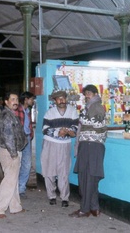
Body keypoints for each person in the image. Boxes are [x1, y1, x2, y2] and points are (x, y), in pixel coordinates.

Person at [69, 84, 107, 218]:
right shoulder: (91, 106)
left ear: (95, 94)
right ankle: (94, 208)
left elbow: (97, 124)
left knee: (87, 178)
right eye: (85, 94)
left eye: (88, 94)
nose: (86, 96)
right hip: (90, 144)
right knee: (91, 178)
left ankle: (84, 209)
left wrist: (83, 118)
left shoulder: (96, 106)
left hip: (92, 144)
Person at [40, 90, 79, 208]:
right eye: (59, 99)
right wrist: (58, 132)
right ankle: (51, 196)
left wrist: (68, 132)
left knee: (63, 171)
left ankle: (64, 197)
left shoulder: (72, 111)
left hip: (64, 144)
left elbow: (75, 127)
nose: (61, 100)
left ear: (66, 99)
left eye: (63, 98)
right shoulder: (49, 113)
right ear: (55, 101)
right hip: (50, 143)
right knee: (49, 171)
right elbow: (45, 129)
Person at [0, 91, 27, 219]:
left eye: (17, 99)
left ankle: (15, 207)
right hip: (9, 151)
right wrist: (14, 154)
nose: (16, 102)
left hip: (10, 150)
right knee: (9, 181)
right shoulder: (7, 116)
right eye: (12, 99)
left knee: (12, 180)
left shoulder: (9, 114)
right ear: (6, 102)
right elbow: (8, 137)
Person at [16, 91, 35, 199]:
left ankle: (21, 189)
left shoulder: (27, 110)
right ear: (26, 99)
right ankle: (15, 189)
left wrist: (30, 134)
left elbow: (28, 125)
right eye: (31, 99)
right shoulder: (17, 110)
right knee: (17, 164)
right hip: (19, 138)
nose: (33, 101)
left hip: (27, 138)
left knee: (26, 164)